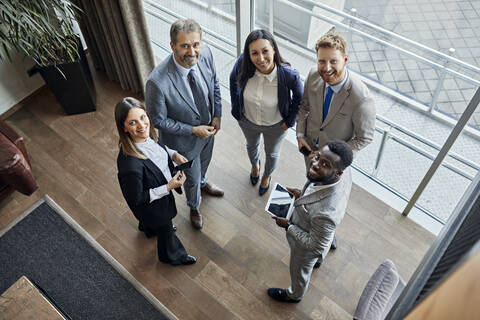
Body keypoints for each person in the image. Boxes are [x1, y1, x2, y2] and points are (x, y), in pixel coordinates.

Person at [146, 19, 224, 230]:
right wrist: (192, 130)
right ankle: (194, 205)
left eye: (195, 44)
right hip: (183, 143)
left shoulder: (206, 53)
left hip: (209, 131)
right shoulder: (157, 82)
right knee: (191, 178)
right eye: (184, 46)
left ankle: (203, 183)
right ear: (172, 46)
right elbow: (158, 121)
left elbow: (215, 83)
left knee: (204, 165)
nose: (192, 51)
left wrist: (217, 115)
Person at [267, 140, 353, 302]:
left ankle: (294, 295)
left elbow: (315, 246)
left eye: (325, 164)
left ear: (338, 172)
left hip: (305, 248)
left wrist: (288, 226)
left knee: (299, 271)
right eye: (318, 157)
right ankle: (318, 261)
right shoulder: (344, 172)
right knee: (322, 245)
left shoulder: (326, 214)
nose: (314, 164)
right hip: (319, 228)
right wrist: (302, 194)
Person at [115, 97, 196, 266]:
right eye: (133, 122)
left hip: (154, 195)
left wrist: (173, 154)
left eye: (143, 117)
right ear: (124, 127)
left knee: (151, 222)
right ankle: (172, 256)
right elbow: (136, 198)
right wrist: (168, 187)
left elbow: (158, 147)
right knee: (166, 231)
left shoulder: (148, 135)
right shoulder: (131, 165)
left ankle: (149, 228)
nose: (142, 126)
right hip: (154, 204)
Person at [230, 29, 303, 195]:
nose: (261, 59)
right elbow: (232, 80)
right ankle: (255, 166)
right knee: (251, 146)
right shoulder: (243, 64)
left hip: (276, 126)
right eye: (254, 53)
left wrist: (290, 121)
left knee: (272, 154)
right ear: (248, 55)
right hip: (248, 121)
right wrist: (236, 108)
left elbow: (300, 97)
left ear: (274, 50)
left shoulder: (288, 75)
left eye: (265, 51)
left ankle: (266, 176)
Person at [296, 33, 376, 168]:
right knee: (310, 178)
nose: (326, 68)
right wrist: (300, 134)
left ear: (345, 60)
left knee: (325, 187)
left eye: (333, 61)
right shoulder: (313, 75)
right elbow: (304, 106)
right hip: (309, 147)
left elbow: (364, 138)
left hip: (333, 160)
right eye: (322, 61)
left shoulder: (362, 99)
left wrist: (330, 153)